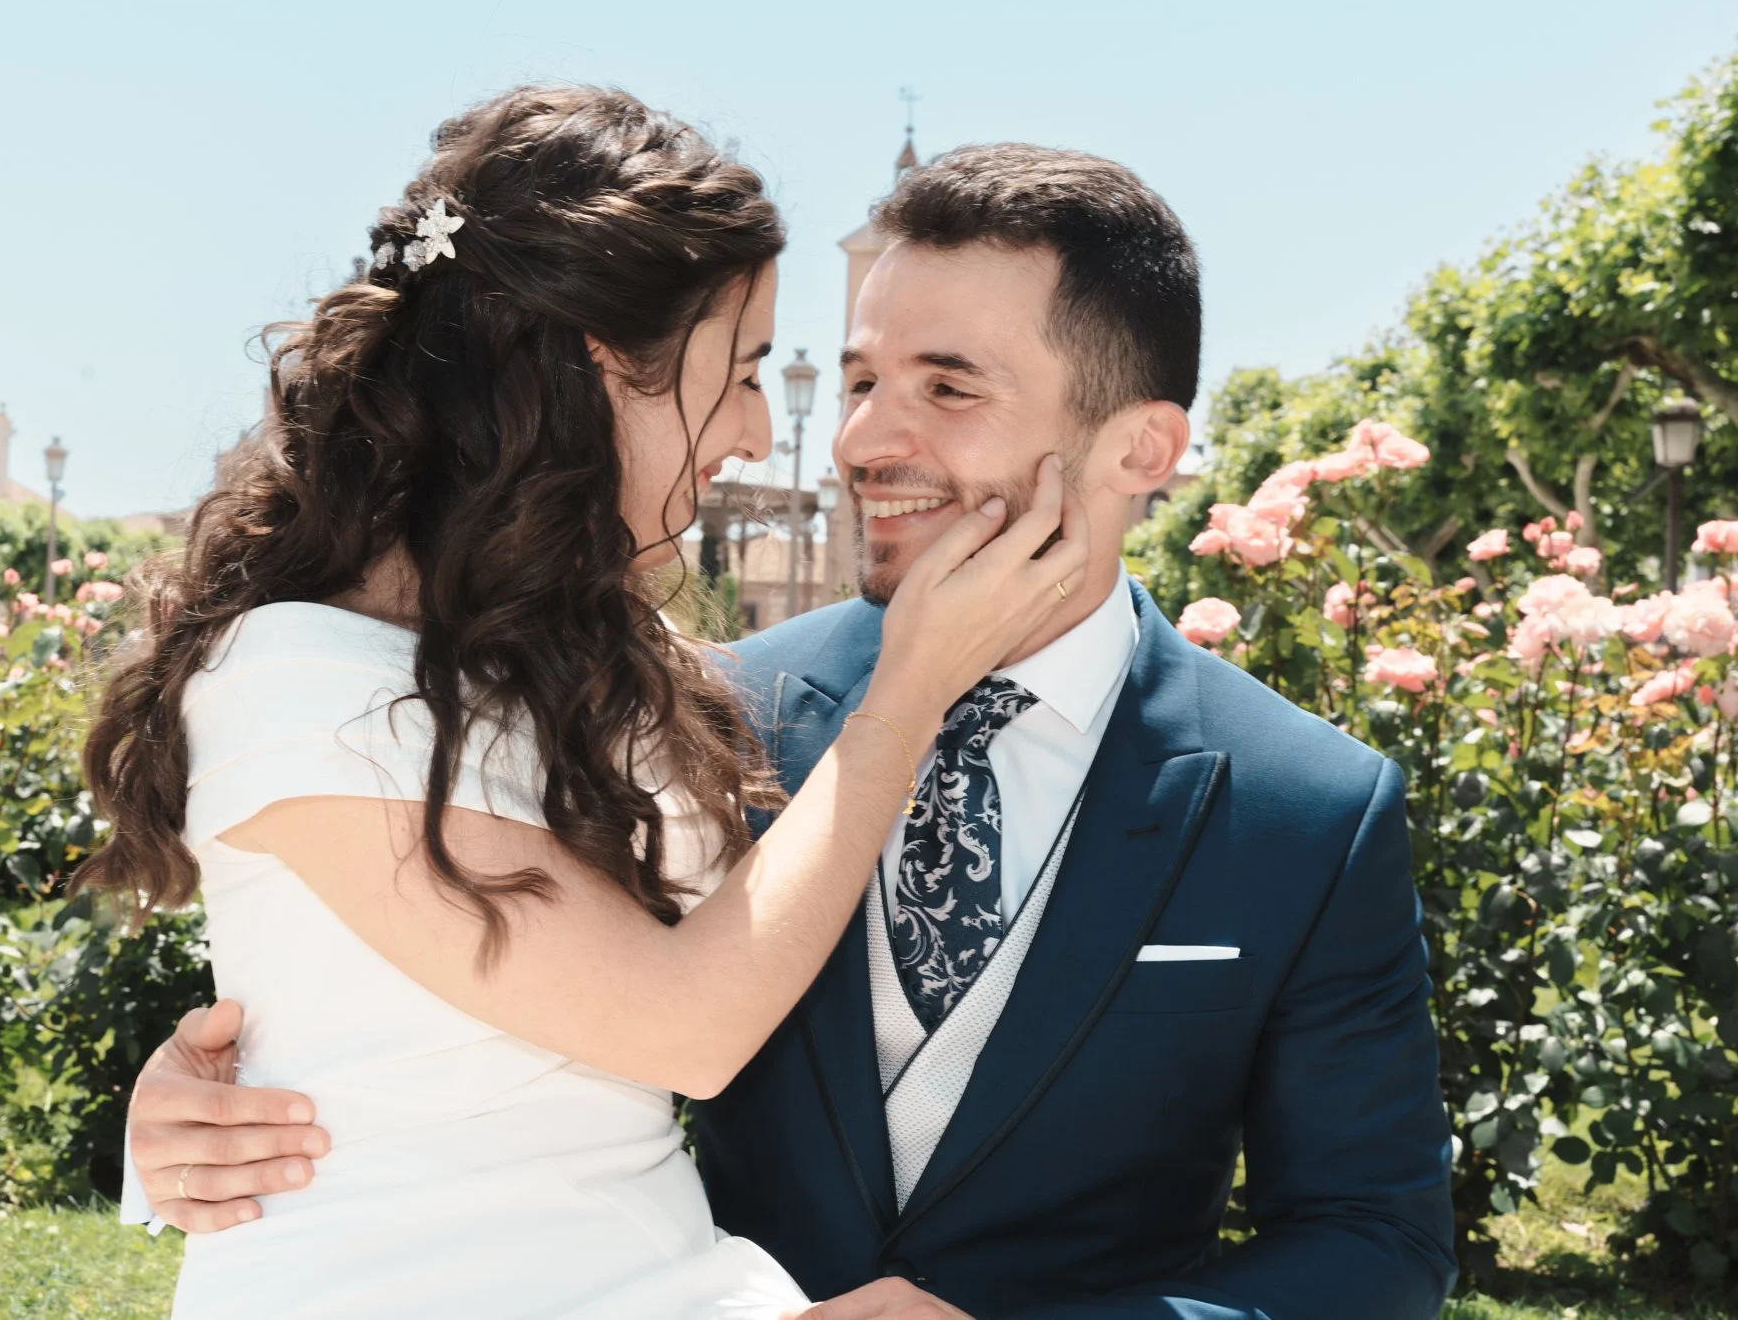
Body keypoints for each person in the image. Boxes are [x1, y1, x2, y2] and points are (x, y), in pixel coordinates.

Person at [121, 141, 1460, 1320]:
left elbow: (1372, 1243)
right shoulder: (710, 706)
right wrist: (191, 1099)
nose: (855, 440)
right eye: (860, 376)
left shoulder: (1310, 808)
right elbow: (450, 986)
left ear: (1140, 450)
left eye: (948, 388)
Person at [80, 86, 1087, 1319]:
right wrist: (910, 691)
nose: (770, 430)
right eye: (747, 370)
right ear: (605, 363)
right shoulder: (294, 677)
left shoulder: (608, 650)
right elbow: (685, 1027)